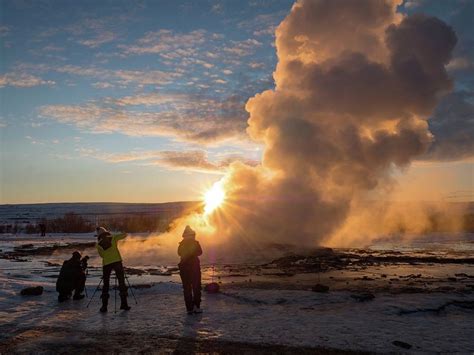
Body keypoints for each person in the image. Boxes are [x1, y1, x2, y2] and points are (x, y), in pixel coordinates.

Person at [96, 226, 130, 312]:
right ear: (106, 232)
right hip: (117, 262)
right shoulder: (113, 237)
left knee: (106, 285)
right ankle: (124, 304)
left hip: (106, 264)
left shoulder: (98, 244)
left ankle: (104, 307)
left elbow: (102, 255)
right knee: (121, 282)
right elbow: (124, 235)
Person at [178, 225, 203, 314]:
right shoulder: (195, 243)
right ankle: (196, 306)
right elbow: (200, 252)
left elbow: (179, 253)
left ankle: (189, 308)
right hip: (194, 267)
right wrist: (192, 253)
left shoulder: (182, 243)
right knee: (196, 287)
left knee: (187, 288)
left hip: (184, 268)